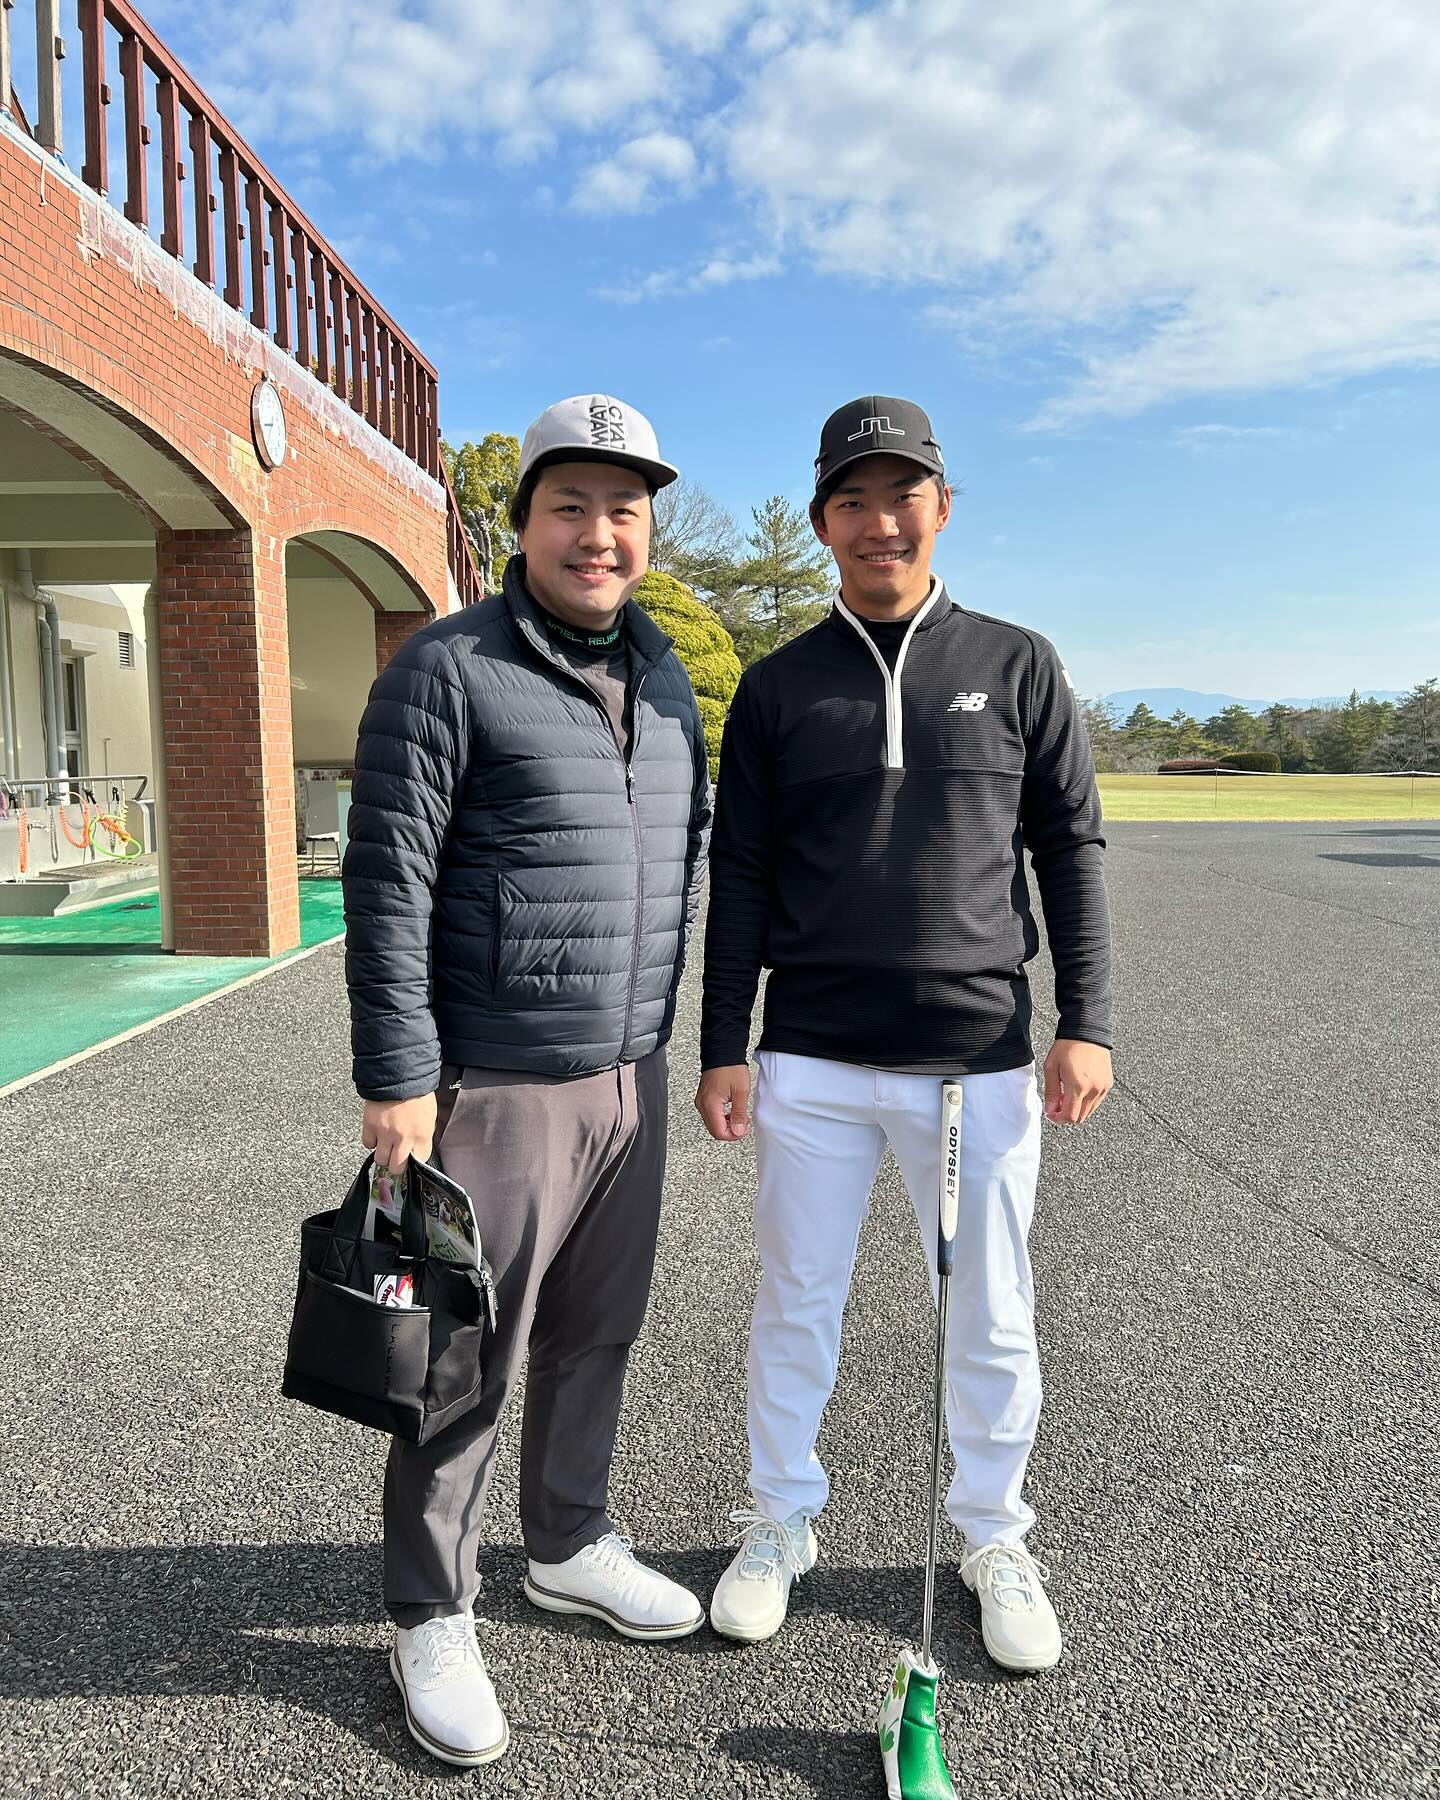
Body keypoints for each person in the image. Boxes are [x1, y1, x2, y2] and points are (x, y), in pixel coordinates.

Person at [695, 395, 1112, 1674]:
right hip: (814, 1055)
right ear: (824, 520)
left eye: (905, 494)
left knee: (991, 1313)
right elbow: (746, 875)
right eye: (854, 500)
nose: (881, 521)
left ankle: (992, 1535)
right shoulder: (776, 687)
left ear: (941, 505)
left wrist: (1087, 1020)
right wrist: (724, 1041)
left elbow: (1069, 846)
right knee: (794, 1305)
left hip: (977, 1058)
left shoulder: (1018, 660)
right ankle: (778, 1522)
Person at [343, 394, 713, 1767]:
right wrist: (397, 1076)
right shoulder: (446, 671)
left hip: (629, 1070)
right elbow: (387, 885)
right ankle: (430, 1605)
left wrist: (676, 1037)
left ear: (649, 531)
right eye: (572, 505)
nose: (599, 533)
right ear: (523, 521)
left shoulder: (667, 676)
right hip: (494, 1079)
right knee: (461, 1361)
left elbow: (682, 867)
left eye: (625, 509)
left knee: (597, 1331)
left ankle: (566, 1539)